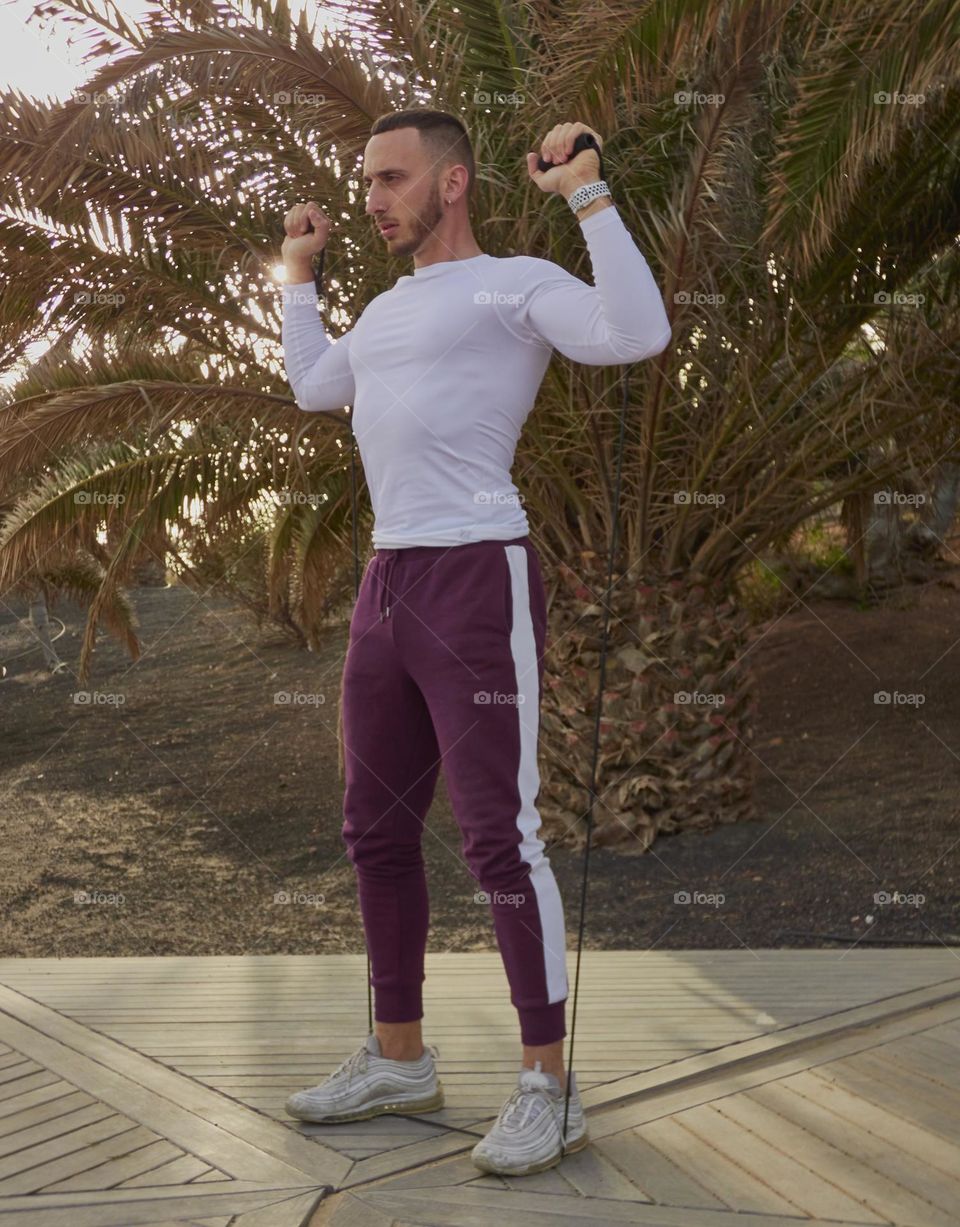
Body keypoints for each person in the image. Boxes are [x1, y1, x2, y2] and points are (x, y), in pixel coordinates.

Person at [279, 109, 671, 1177]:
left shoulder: (515, 284)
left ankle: (551, 1082)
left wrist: (585, 192)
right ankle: (399, 1055)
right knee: (374, 829)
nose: (371, 198)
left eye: (391, 178)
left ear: (453, 184)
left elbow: (636, 333)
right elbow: (317, 385)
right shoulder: (385, 309)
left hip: (474, 575)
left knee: (500, 839)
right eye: (365, 180)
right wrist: (297, 277)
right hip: (386, 581)